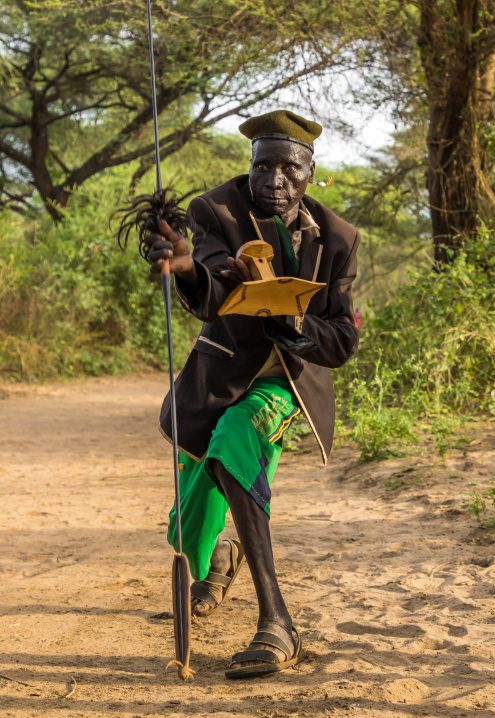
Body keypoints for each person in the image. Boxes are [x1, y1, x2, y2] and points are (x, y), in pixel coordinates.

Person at [145, 110, 360, 679]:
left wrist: (299, 330)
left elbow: (341, 340)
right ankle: (221, 552)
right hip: (220, 377)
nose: (273, 179)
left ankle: (276, 623)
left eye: (288, 167)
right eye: (261, 165)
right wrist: (190, 271)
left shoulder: (338, 238)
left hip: (287, 382)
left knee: (236, 444)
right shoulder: (216, 210)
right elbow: (215, 286)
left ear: (310, 174)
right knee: (189, 523)